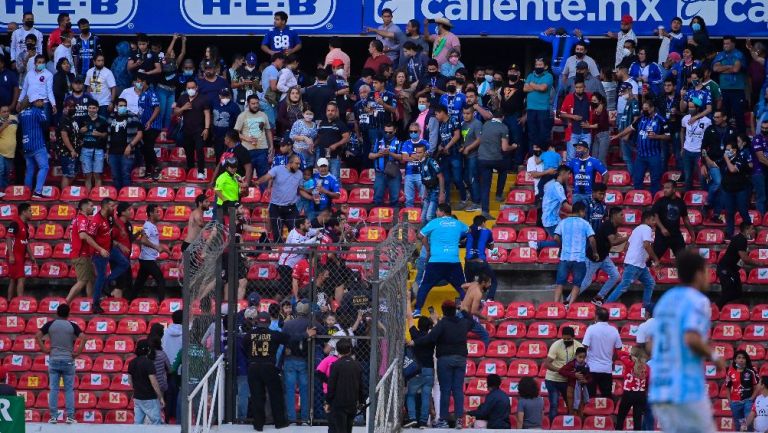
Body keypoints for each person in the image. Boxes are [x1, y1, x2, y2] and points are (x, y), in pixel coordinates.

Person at [650, 250, 724, 433]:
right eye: (707, 271)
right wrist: (714, 356)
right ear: (699, 273)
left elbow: (651, 342)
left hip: (660, 389)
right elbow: (691, 338)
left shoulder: (664, 300)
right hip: (685, 389)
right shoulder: (697, 300)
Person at [413, 300, 473, 429]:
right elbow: (472, 321)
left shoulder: (442, 324)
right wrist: (462, 310)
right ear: (455, 309)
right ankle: (459, 420)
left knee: (445, 390)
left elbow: (429, 338)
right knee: (458, 390)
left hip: (445, 359)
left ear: (443, 311)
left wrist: (415, 342)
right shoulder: (463, 322)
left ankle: (444, 420)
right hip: (461, 359)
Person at [245, 310, 308, 431]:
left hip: (253, 366)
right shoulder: (273, 334)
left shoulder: (249, 335)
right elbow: (291, 339)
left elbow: (245, 345)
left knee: (257, 396)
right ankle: (279, 422)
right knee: (276, 395)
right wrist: (305, 335)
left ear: (257, 322)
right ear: (269, 323)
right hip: (269, 366)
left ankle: (258, 424)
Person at [413, 203, 469, 317]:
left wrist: (428, 247)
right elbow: (469, 232)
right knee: (462, 287)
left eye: (437, 211)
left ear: (442, 211)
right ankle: (465, 311)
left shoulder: (434, 222)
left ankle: (418, 310)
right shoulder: (458, 223)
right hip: (453, 261)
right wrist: (460, 240)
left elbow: (419, 235)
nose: (436, 213)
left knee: (424, 286)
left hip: (436, 261)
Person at [598, 210, 659, 308]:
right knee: (623, 286)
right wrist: (656, 259)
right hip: (634, 264)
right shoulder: (647, 228)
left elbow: (627, 246)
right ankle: (606, 306)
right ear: (647, 220)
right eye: (653, 220)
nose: (654, 222)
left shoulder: (636, 229)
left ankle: (646, 307)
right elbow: (646, 245)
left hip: (638, 264)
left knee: (650, 283)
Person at [35, 304, 83, 424]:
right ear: (68, 313)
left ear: (57, 313)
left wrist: (44, 349)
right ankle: (70, 417)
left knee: (54, 389)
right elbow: (84, 337)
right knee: (69, 390)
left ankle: (53, 417)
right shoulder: (72, 325)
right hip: (68, 360)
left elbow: (37, 336)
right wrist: (77, 352)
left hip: (54, 359)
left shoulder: (50, 324)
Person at [613, 100, 670, 195]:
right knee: (637, 178)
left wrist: (657, 136)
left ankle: (653, 201)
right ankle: (638, 198)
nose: (644, 111)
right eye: (643, 109)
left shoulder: (661, 120)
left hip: (654, 155)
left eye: (646, 109)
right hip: (641, 156)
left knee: (655, 180)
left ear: (652, 108)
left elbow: (668, 136)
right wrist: (617, 136)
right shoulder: (641, 119)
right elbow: (629, 128)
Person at [553, 201, 598, 305]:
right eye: (584, 212)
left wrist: (562, 246)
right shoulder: (585, 223)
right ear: (581, 211)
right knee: (577, 284)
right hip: (579, 259)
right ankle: (569, 305)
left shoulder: (563, 222)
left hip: (565, 258)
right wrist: (595, 252)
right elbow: (592, 239)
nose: (585, 214)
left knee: (559, 283)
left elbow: (555, 237)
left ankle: (555, 306)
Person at [581, 207, 625, 303]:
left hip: (603, 257)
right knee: (586, 282)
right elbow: (613, 241)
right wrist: (627, 237)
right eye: (621, 215)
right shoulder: (608, 225)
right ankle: (568, 301)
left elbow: (615, 235)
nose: (623, 217)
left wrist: (620, 236)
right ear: (614, 215)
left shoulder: (614, 225)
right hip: (594, 257)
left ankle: (598, 297)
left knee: (616, 276)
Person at [88, 198, 124, 314]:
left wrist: (121, 228)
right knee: (100, 277)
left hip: (109, 248)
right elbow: (89, 238)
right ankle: (95, 304)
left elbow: (114, 220)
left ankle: (107, 281)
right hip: (99, 253)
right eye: (112, 206)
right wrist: (100, 249)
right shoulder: (96, 221)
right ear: (105, 206)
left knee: (124, 264)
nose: (114, 208)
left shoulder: (109, 215)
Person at [255, 154, 302, 242]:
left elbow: (301, 188)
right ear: (290, 163)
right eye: (297, 164)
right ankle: (279, 254)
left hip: (291, 208)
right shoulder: (277, 169)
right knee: (277, 236)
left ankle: (294, 254)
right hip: (276, 207)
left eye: (299, 164)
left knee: (296, 232)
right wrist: (258, 182)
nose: (298, 166)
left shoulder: (300, 174)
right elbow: (266, 177)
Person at [701, 110, 737, 223]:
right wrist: (706, 161)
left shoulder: (732, 130)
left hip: (726, 162)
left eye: (717, 117)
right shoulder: (709, 129)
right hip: (713, 161)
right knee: (718, 182)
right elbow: (703, 148)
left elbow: (737, 147)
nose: (715, 119)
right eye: (714, 117)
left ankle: (716, 214)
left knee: (722, 188)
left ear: (724, 117)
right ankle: (707, 204)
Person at [281, 301, 313, 425]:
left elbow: (284, 339)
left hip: (290, 358)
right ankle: (305, 418)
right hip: (303, 358)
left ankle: (291, 418)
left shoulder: (288, 324)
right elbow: (323, 332)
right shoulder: (310, 322)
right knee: (305, 389)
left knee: (290, 390)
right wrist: (306, 335)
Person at [477, 110, 514, 219]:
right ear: (502, 117)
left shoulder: (485, 124)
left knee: (485, 186)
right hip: (496, 159)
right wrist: (514, 147)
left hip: (482, 158)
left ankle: (485, 211)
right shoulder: (503, 127)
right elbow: (505, 148)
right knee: (503, 169)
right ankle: (498, 195)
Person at [542, 327, 583, 421]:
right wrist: (560, 370)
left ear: (574, 337)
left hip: (567, 380)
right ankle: (552, 427)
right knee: (554, 404)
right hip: (552, 379)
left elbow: (582, 362)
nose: (566, 341)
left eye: (569, 339)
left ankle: (569, 425)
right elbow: (547, 364)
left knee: (570, 404)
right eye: (564, 339)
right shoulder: (556, 345)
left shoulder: (579, 346)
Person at [173, 78, 211, 179]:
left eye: (193, 88)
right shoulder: (182, 98)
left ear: (196, 87)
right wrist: (183, 108)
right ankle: (190, 168)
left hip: (199, 129)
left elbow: (207, 114)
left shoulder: (203, 98)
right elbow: (176, 112)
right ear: (186, 88)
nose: (191, 89)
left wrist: (206, 128)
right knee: (188, 150)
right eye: (189, 88)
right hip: (186, 129)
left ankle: (201, 171)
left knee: (199, 150)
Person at [130, 204, 169, 300]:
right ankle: (161, 303)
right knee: (160, 280)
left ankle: (130, 300)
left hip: (146, 259)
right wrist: (156, 247)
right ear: (151, 214)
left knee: (139, 282)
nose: (159, 214)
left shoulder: (152, 226)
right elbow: (143, 240)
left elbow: (153, 242)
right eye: (157, 212)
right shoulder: (148, 226)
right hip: (148, 260)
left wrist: (166, 250)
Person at [717, 221, 758, 308]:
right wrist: (758, 263)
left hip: (732, 270)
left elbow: (741, 260)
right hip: (725, 269)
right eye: (752, 229)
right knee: (728, 292)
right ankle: (715, 310)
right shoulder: (741, 239)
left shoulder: (742, 239)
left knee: (737, 292)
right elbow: (744, 258)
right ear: (746, 229)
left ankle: (735, 311)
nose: (754, 231)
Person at [583, 308, 622, 398]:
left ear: (596, 317)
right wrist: (613, 361)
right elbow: (618, 348)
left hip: (591, 368)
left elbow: (584, 346)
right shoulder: (614, 330)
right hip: (606, 368)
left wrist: (583, 362)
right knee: (607, 396)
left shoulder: (591, 329)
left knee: (590, 397)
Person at [325, 338, 363, 433]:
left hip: (338, 403)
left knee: (338, 428)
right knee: (348, 428)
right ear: (350, 350)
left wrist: (328, 401)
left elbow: (331, 386)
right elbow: (361, 385)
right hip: (352, 402)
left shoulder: (335, 365)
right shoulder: (357, 365)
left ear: (337, 350)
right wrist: (361, 401)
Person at [108, 98, 144, 191]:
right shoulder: (111, 118)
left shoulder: (133, 117)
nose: (123, 107)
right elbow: (108, 136)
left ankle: (126, 197)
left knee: (126, 174)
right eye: (120, 106)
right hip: (112, 152)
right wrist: (107, 151)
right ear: (116, 106)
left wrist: (130, 146)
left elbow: (139, 134)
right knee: (115, 175)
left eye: (124, 105)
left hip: (127, 152)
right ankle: (118, 196)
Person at [652, 180, 695, 260]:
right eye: (664, 188)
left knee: (683, 259)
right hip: (662, 236)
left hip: (676, 235)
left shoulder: (680, 202)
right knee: (654, 259)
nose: (665, 190)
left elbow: (686, 220)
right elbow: (655, 216)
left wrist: (692, 234)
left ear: (674, 189)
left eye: (668, 188)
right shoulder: (660, 201)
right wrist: (662, 228)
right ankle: (646, 271)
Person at [404, 317, 434, 429]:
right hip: (429, 369)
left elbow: (410, 319)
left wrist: (407, 301)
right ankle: (423, 421)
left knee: (411, 394)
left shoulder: (415, 335)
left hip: (416, 370)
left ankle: (412, 418)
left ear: (419, 325)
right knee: (426, 395)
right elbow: (436, 329)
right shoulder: (432, 337)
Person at [235, 95, 273, 184]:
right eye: (253, 103)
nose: (255, 105)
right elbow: (236, 133)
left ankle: (263, 196)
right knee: (247, 177)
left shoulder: (263, 115)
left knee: (263, 176)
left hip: (262, 149)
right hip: (247, 151)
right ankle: (247, 197)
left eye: (257, 103)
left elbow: (268, 131)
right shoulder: (242, 116)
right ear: (248, 104)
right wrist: (247, 138)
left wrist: (271, 146)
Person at [535, 166, 573, 250]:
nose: (569, 176)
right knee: (564, 243)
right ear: (562, 173)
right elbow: (565, 205)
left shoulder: (554, 185)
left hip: (553, 219)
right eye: (568, 174)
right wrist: (578, 211)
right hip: (551, 221)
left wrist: (563, 213)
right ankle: (538, 244)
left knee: (567, 241)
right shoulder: (558, 187)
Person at [714, 36, 747, 132]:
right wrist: (729, 67)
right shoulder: (720, 55)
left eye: (727, 43)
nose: (725, 45)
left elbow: (736, 69)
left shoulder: (738, 54)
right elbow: (715, 69)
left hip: (737, 90)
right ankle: (726, 138)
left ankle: (742, 139)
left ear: (733, 44)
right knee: (724, 116)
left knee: (739, 115)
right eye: (724, 43)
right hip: (724, 89)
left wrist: (723, 68)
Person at [127, 339, 165, 425]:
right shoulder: (149, 363)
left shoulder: (131, 363)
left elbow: (130, 380)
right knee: (156, 422)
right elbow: (154, 383)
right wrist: (161, 397)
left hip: (137, 397)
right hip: (149, 397)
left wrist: (136, 389)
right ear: (148, 350)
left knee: (138, 423)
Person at [723, 135, 754, 237]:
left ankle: (749, 232)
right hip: (728, 190)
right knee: (729, 212)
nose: (726, 151)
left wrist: (726, 159)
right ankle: (729, 233)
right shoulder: (725, 159)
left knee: (743, 211)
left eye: (728, 150)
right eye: (726, 150)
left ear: (735, 150)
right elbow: (715, 164)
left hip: (741, 190)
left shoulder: (740, 157)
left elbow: (732, 169)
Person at [65, 199, 95, 303]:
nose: (93, 208)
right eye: (91, 205)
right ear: (84, 207)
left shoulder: (76, 219)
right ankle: (66, 303)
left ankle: (90, 300)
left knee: (90, 279)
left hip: (82, 254)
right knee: (82, 281)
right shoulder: (82, 219)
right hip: (81, 254)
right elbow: (83, 236)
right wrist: (98, 247)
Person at [18, 99, 49, 198]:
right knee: (44, 167)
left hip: (26, 144)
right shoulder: (38, 111)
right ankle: (37, 192)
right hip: (38, 144)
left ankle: (27, 192)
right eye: (40, 100)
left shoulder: (21, 113)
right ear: (34, 101)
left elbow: (19, 130)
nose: (43, 102)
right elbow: (45, 125)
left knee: (30, 169)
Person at [616, 346, 650, 431]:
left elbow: (619, 353)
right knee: (637, 420)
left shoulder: (628, 363)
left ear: (632, 356)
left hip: (629, 394)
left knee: (621, 417)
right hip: (641, 395)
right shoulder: (647, 367)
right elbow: (648, 382)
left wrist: (629, 355)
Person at [369, 122, 404, 207]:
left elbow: (402, 158)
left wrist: (390, 153)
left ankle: (395, 220)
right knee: (377, 198)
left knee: (395, 199)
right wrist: (378, 154)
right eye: (386, 132)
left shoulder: (399, 143)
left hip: (394, 174)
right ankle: (377, 219)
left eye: (390, 132)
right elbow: (370, 155)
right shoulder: (378, 141)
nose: (387, 134)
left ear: (395, 131)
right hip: (380, 173)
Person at [464, 215, 497, 300]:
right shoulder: (487, 232)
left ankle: (470, 300)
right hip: (480, 262)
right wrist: (484, 243)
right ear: (482, 223)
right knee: (493, 281)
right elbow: (492, 247)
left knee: (469, 283)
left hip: (469, 263)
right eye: (485, 223)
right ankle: (489, 299)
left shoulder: (467, 230)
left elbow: (461, 241)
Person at [77, 100, 109, 189]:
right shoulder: (82, 119)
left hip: (98, 149)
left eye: (94, 108)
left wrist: (100, 134)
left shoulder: (103, 120)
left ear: (97, 109)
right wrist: (80, 131)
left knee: (97, 175)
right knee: (87, 175)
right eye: (90, 108)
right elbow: (76, 133)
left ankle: (96, 196)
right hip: (85, 149)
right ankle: (88, 197)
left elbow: (107, 134)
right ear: (87, 109)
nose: (91, 110)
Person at [680, 100, 711, 191]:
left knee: (702, 177)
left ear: (698, 108)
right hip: (687, 151)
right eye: (689, 107)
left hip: (699, 152)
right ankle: (687, 197)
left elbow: (710, 137)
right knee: (687, 176)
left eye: (692, 107)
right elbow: (682, 131)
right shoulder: (685, 118)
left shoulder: (707, 121)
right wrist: (682, 147)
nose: (690, 109)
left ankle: (704, 198)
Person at [725, 350, 759, 432]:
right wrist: (730, 401)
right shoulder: (730, 372)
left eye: (743, 358)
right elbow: (727, 387)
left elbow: (757, 386)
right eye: (739, 358)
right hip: (735, 402)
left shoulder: (751, 371)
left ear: (746, 360)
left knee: (748, 423)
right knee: (738, 425)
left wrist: (752, 398)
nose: (741, 360)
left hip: (748, 401)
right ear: (735, 360)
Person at [524, 57, 553, 150]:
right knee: (532, 134)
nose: (537, 66)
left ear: (545, 66)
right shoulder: (530, 75)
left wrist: (532, 85)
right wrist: (537, 86)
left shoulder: (548, 76)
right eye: (536, 65)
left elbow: (543, 88)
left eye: (540, 65)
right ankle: (533, 157)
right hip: (531, 109)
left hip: (543, 109)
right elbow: (525, 89)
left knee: (543, 134)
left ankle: (543, 156)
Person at [315, 101, 349, 180]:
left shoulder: (340, 124)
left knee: (334, 178)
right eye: (328, 110)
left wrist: (336, 145)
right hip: (322, 156)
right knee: (321, 178)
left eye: (332, 111)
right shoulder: (322, 123)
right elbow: (319, 137)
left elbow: (347, 138)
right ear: (326, 111)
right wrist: (313, 145)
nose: (330, 112)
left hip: (334, 156)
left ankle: (337, 192)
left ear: (336, 111)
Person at [560, 79, 592, 160]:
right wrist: (573, 117)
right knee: (571, 157)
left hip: (586, 132)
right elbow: (561, 113)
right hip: (573, 131)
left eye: (580, 87)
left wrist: (590, 125)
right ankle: (572, 173)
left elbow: (600, 104)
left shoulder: (590, 96)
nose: (578, 89)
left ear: (584, 87)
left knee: (586, 157)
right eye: (577, 87)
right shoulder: (569, 97)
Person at [567, 140, 608, 205]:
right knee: (576, 214)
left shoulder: (594, 161)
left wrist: (601, 188)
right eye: (576, 148)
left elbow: (605, 174)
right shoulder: (573, 161)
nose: (577, 150)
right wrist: (567, 186)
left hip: (589, 194)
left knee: (589, 214)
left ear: (586, 150)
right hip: (576, 194)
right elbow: (565, 172)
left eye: (579, 148)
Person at [414, 141, 444, 223]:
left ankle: (435, 235)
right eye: (416, 152)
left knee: (429, 217)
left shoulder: (431, 161)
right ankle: (426, 236)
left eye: (420, 152)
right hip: (429, 192)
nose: (418, 154)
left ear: (425, 153)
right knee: (423, 219)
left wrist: (441, 193)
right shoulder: (420, 164)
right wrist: (425, 193)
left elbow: (441, 176)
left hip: (436, 191)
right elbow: (425, 180)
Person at [558, 346, 592, 417]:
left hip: (581, 390)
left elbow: (590, 378)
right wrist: (574, 374)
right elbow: (561, 371)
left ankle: (579, 425)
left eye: (584, 357)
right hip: (571, 388)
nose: (582, 359)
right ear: (576, 356)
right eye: (580, 357)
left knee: (581, 410)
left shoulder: (587, 366)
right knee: (572, 409)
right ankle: (572, 426)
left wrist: (586, 381)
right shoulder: (571, 364)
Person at [211, 88, 241, 158]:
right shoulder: (214, 103)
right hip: (216, 136)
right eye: (223, 96)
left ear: (230, 96)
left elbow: (239, 120)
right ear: (219, 96)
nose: (225, 98)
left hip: (229, 137)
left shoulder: (234, 106)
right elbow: (210, 115)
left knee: (228, 156)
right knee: (218, 155)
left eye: (227, 96)